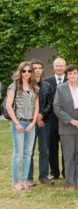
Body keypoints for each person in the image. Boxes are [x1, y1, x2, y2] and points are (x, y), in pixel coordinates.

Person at [53, 65, 78, 190]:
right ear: (66, 75)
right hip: (67, 126)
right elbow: (57, 107)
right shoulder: (60, 88)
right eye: (69, 73)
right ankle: (70, 182)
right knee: (69, 155)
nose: (72, 75)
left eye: (74, 73)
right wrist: (71, 121)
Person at [6, 61, 39, 192]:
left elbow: (37, 107)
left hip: (31, 124)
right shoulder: (13, 86)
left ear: (32, 73)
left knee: (28, 154)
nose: (26, 73)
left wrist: (33, 123)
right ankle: (15, 182)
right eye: (24, 71)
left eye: (29, 71)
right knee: (17, 154)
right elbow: (9, 106)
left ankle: (24, 181)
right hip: (18, 123)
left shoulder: (35, 87)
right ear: (20, 72)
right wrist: (16, 123)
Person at [27, 59, 54, 186]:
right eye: (35, 68)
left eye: (39, 68)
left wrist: (42, 116)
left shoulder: (47, 86)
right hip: (29, 123)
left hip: (44, 123)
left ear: (42, 70)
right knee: (29, 151)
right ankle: (28, 177)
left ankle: (43, 176)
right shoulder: (25, 86)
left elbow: (50, 104)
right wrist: (34, 118)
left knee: (44, 150)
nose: (37, 70)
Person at [44, 58, 67, 180]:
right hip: (51, 121)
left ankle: (66, 172)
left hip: (67, 121)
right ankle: (54, 172)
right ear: (53, 67)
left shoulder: (72, 80)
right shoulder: (46, 82)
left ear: (65, 67)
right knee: (52, 148)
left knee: (66, 149)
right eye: (57, 66)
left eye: (61, 65)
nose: (59, 68)